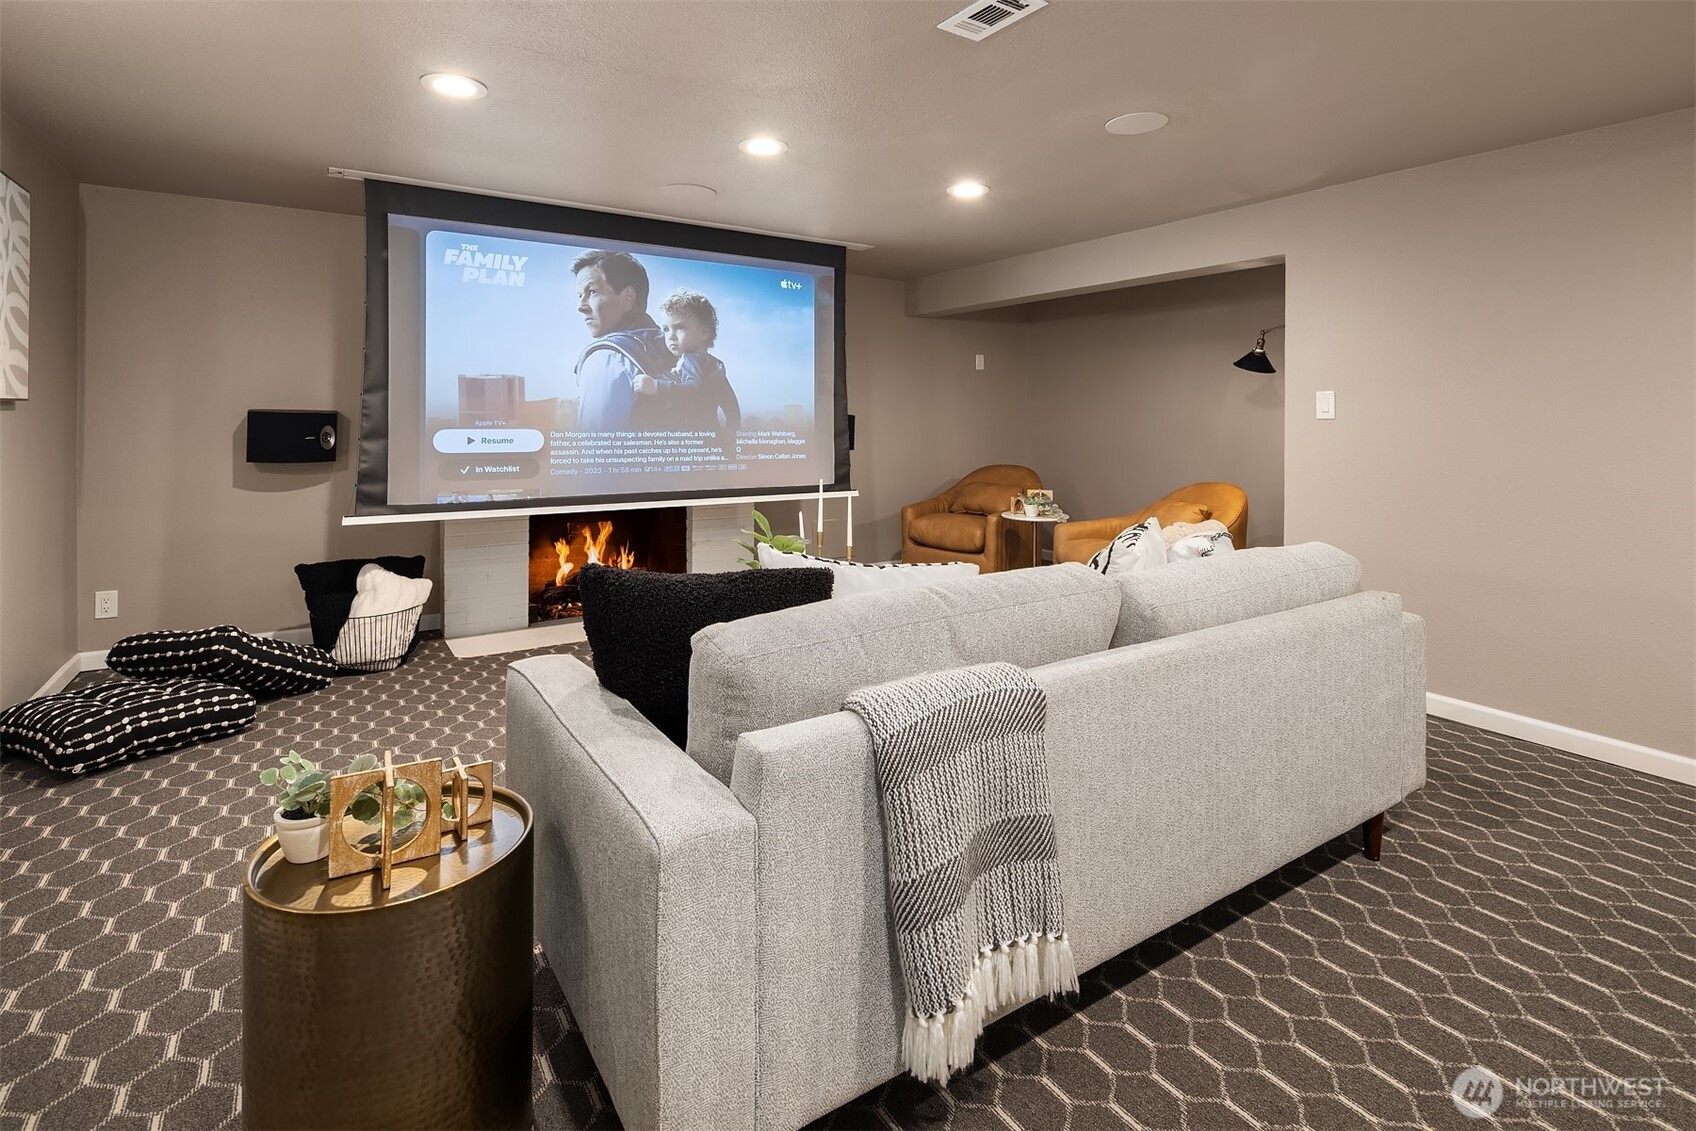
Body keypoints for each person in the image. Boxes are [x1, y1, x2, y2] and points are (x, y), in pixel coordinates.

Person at [571, 250, 676, 431]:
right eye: (580, 295)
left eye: (592, 292)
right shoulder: (676, 350)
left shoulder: (606, 358)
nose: (581, 306)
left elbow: (595, 445)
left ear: (628, 298)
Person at [642, 288, 741, 441]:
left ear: (704, 333)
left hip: (691, 440)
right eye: (666, 329)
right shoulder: (715, 365)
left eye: (679, 327)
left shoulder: (691, 359)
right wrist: (729, 436)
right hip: (711, 437)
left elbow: (694, 391)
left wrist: (656, 386)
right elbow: (732, 408)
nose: (671, 336)